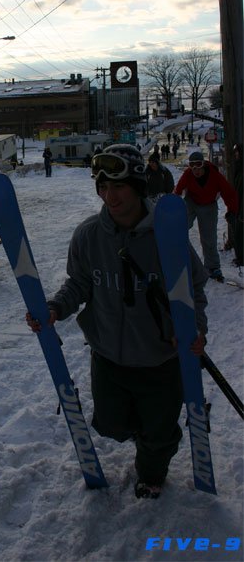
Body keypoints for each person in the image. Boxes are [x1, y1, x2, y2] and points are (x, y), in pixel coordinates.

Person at [26, 144, 208, 500]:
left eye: (119, 186)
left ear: (137, 185)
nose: (110, 196)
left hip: (160, 358)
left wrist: (195, 328)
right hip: (109, 356)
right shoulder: (88, 235)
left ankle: (151, 473)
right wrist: (55, 308)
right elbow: (78, 283)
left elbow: (194, 288)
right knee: (112, 424)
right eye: (102, 187)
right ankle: (143, 432)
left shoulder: (167, 236)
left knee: (159, 434)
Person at [174, 150, 239, 282]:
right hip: (191, 202)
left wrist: (232, 211)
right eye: (192, 166)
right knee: (180, 227)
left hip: (209, 205)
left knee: (208, 238)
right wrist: (173, 205)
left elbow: (229, 193)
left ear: (203, 165)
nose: (195, 170)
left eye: (198, 165)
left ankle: (213, 267)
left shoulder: (214, 175)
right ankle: (175, 259)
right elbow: (178, 189)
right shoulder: (188, 174)